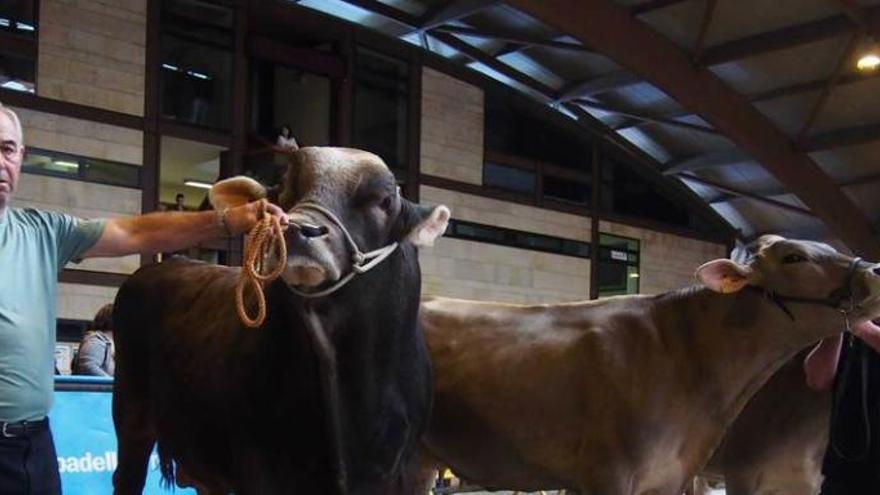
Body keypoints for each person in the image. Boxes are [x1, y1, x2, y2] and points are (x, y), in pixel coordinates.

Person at [0, 101, 287, 494]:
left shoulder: (42, 233)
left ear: (21, 157)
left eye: (8, 149)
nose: (2, 161)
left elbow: (135, 233)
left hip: (33, 444)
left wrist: (226, 221)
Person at [804, 320, 880, 494]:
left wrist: (861, 326)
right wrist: (834, 332)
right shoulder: (854, 325)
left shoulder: (861, 324)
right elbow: (817, 380)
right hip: (844, 470)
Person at [73, 304, 115, 377]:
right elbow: (88, 366)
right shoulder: (96, 340)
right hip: (97, 387)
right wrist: (110, 383)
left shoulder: (110, 343)